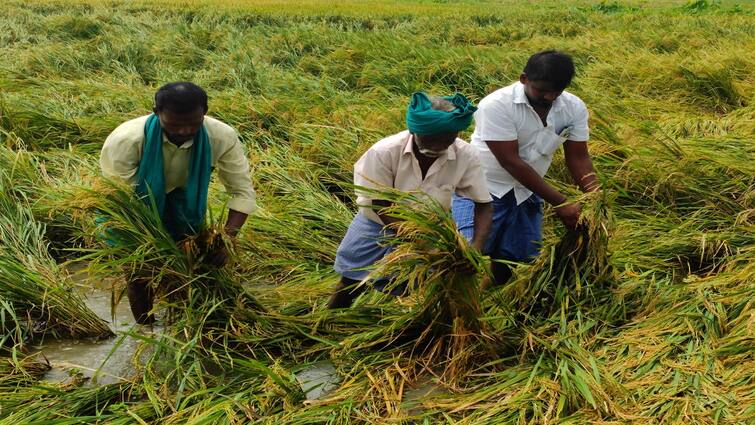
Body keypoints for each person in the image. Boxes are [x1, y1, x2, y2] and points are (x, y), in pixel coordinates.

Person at [100, 82, 257, 324]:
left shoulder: (221, 136)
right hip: (135, 204)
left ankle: (185, 325)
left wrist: (227, 238)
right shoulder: (126, 140)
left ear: (204, 112)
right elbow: (120, 197)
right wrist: (148, 245)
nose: (184, 131)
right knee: (141, 272)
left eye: (193, 124)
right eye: (174, 124)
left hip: (185, 201)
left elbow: (242, 191)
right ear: (156, 112)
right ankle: (145, 330)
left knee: (193, 264)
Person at [327, 92, 493, 309]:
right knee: (352, 279)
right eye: (431, 138)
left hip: (432, 226)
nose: (438, 146)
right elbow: (380, 203)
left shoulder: (466, 155)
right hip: (378, 221)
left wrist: (475, 248)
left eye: (447, 139)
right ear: (414, 130)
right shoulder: (384, 152)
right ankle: (330, 318)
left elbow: (483, 205)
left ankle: (407, 323)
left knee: (424, 283)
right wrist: (420, 244)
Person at [453, 50, 599, 286]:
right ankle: (458, 308)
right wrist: (561, 202)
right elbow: (511, 161)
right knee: (467, 253)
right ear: (524, 79)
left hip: (527, 192)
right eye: (542, 90)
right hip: (482, 187)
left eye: (556, 91)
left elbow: (579, 157)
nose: (549, 97)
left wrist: (596, 198)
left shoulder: (573, 108)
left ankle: (495, 293)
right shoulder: (496, 105)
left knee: (514, 257)